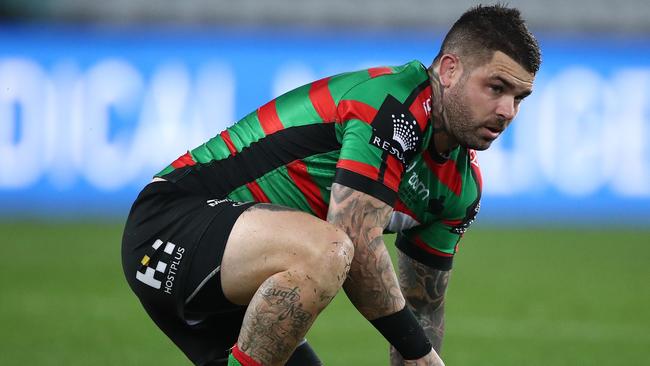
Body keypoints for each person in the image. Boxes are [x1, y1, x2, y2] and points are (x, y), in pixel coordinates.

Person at [121, 4, 541, 366]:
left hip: (247, 289)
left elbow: (422, 307)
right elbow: (355, 239)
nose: (507, 111)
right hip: (171, 226)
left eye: (519, 98)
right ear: (449, 70)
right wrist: (416, 349)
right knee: (332, 248)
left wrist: (419, 352)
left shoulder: (460, 188)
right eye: (496, 88)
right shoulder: (392, 106)